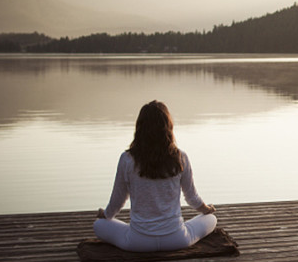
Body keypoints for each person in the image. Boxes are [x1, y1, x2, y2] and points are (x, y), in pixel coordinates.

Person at [93, 100, 217, 252]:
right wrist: (206, 209)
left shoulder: (127, 159)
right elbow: (191, 198)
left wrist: (106, 215)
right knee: (211, 219)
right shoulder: (180, 157)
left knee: (98, 225)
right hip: (177, 239)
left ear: (140, 128)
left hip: (138, 242)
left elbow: (118, 199)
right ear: (168, 127)